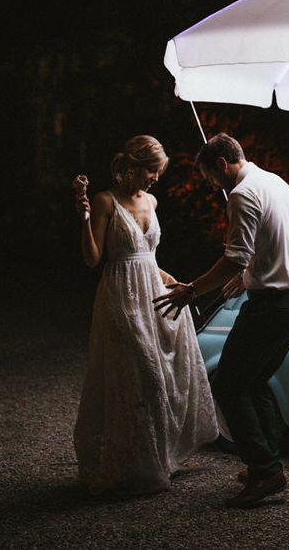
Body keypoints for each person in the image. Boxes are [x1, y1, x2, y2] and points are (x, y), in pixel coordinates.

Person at [153, 133, 289, 508]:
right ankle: (267, 464)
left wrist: (192, 289)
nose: (211, 185)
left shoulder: (241, 194)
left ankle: (265, 471)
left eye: (209, 177)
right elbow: (272, 244)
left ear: (222, 164)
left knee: (228, 385)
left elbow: (235, 256)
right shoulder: (275, 182)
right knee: (254, 382)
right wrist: (249, 275)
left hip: (270, 307)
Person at [72, 135, 218, 496]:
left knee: (164, 378)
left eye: (158, 172)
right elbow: (93, 259)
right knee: (141, 375)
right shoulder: (107, 200)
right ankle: (129, 465)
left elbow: (149, 259)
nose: (155, 178)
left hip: (153, 293)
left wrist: (174, 282)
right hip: (121, 295)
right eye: (152, 170)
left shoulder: (151, 201)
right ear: (133, 166)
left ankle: (157, 458)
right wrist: (85, 216)